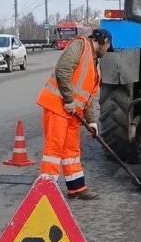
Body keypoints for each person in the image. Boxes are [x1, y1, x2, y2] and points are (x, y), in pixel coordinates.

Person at [35, 29, 111, 199]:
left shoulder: (95, 63)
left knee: (71, 151)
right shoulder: (80, 45)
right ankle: (46, 191)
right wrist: (69, 100)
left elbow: (88, 97)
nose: (107, 51)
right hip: (57, 106)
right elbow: (63, 70)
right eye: (108, 47)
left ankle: (76, 187)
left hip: (72, 113)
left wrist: (92, 122)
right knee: (53, 150)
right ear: (103, 41)